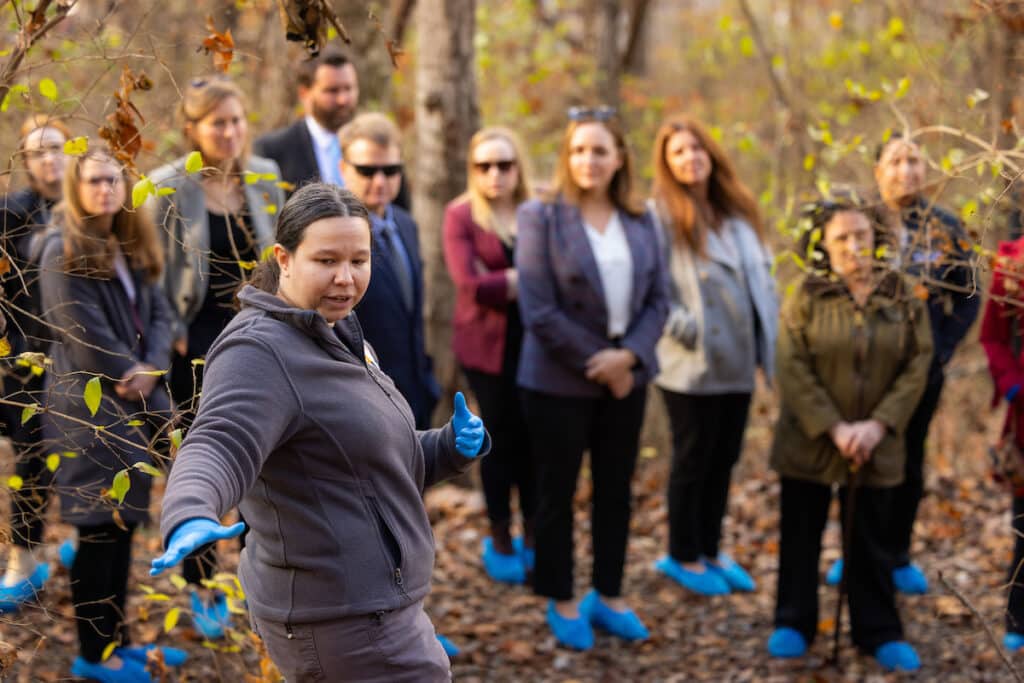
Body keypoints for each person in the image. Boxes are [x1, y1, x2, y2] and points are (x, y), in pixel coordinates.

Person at [150, 183, 489, 683]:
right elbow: (219, 440)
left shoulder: (336, 329)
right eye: (327, 260)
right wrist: (189, 512)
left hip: (376, 608)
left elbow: (357, 464)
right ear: (283, 258)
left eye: (359, 260)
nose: (346, 279)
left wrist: (444, 447)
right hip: (341, 622)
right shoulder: (259, 350)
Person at [516, 107, 668, 650]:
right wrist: (605, 361)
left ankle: (609, 593)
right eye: (579, 150)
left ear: (619, 157)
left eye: (600, 150)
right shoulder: (541, 216)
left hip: (627, 380)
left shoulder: (643, 217)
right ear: (566, 156)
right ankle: (560, 597)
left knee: (615, 492)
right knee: (556, 492)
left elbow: (659, 299)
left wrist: (628, 358)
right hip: (559, 381)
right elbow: (539, 310)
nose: (589, 160)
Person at [39, 148, 186, 682]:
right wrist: (136, 372)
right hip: (90, 413)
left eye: (113, 180)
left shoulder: (128, 242)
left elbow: (163, 311)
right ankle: (92, 654)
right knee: (98, 528)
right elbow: (83, 337)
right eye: (94, 180)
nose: (105, 189)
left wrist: (153, 365)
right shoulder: (62, 249)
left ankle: (117, 643)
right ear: (77, 188)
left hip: (134, 403)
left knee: (123, 528)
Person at [768, 198, 932, 673]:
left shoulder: (902, 294)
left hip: (878, 444)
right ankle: (793, 622)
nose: (853, 246)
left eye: (861, 235)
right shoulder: (806, 294)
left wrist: (878, 424)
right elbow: (791, 365)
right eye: (841, 238)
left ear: (877, 238)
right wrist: (836, 427)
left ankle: (878, 629)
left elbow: (918, 363)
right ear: (823, 244)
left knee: (872, 542)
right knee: (801, 535)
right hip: (810, 441)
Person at [148, 75, 284, 639]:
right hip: (194, 342)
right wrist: (172, 333)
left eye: (236, 121)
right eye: (217, 124)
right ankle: (201, 584)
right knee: (198, 460)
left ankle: (263, 581)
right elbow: (152, 267)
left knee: (265, 458)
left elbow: (279, 261)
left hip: (258, 334)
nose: (230, 133)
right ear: (193, 130)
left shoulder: (267, 178)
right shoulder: (165, 188)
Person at [827, 135, 979, 593]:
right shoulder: (860, 221)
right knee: (859, 458)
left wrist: (943, 347)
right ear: (878, 170)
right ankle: (854, 555)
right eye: (896, 161)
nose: (907, 171)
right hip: (863, 366)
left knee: (909, 461)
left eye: (915, 161)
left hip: (921, 371)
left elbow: (968, 297)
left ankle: (896, 555)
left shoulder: (945, 228)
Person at [648, 115, 777, 596]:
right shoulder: (660, 215)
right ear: (667, 163)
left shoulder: (739, 213)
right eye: (678, 152)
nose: (690, 159)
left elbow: (762, 284)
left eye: (696, 149)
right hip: (690, 363)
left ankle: (711, 547)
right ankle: (682, 554)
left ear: (711, 154)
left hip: (740, 361)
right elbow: (652, 286)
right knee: (692, 458)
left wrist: (769, 349)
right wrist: (688, 328)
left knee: (725, 459)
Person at [443, 127, 536, 584]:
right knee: (499, 439)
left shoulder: (537, 212)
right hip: (487, 348)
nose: (495, 174)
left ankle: (537, 534)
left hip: (539, 345)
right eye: (484, 166)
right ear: (472, 171)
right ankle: (500, 533)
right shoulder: (461, 216)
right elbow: (470, 284)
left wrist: (502, 278)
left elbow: (558, 275)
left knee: (536, 441)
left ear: (518, 168)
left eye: (504, 164)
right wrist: (523, 279)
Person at [0, 115, 75, 611]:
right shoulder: (11, 212)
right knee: (30, 457)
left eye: (58, 147)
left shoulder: (94, 204)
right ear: (25, 161)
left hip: (83, 357)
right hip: (24, 359)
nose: (50, 158)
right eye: (39, 151)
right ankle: (23, 560)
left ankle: (79, 543)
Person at [339, 113, 438, 429]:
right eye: (367, 170)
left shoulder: (407, 225)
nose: (380, 181)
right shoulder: (332, 235)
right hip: (362, 402)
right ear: (343, 169)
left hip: (413, 394)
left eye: (391, 170)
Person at [978, 235, 1024, 653]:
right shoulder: (1012, 264)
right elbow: (992, 336)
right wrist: (1012, 387)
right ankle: (1019, 617)